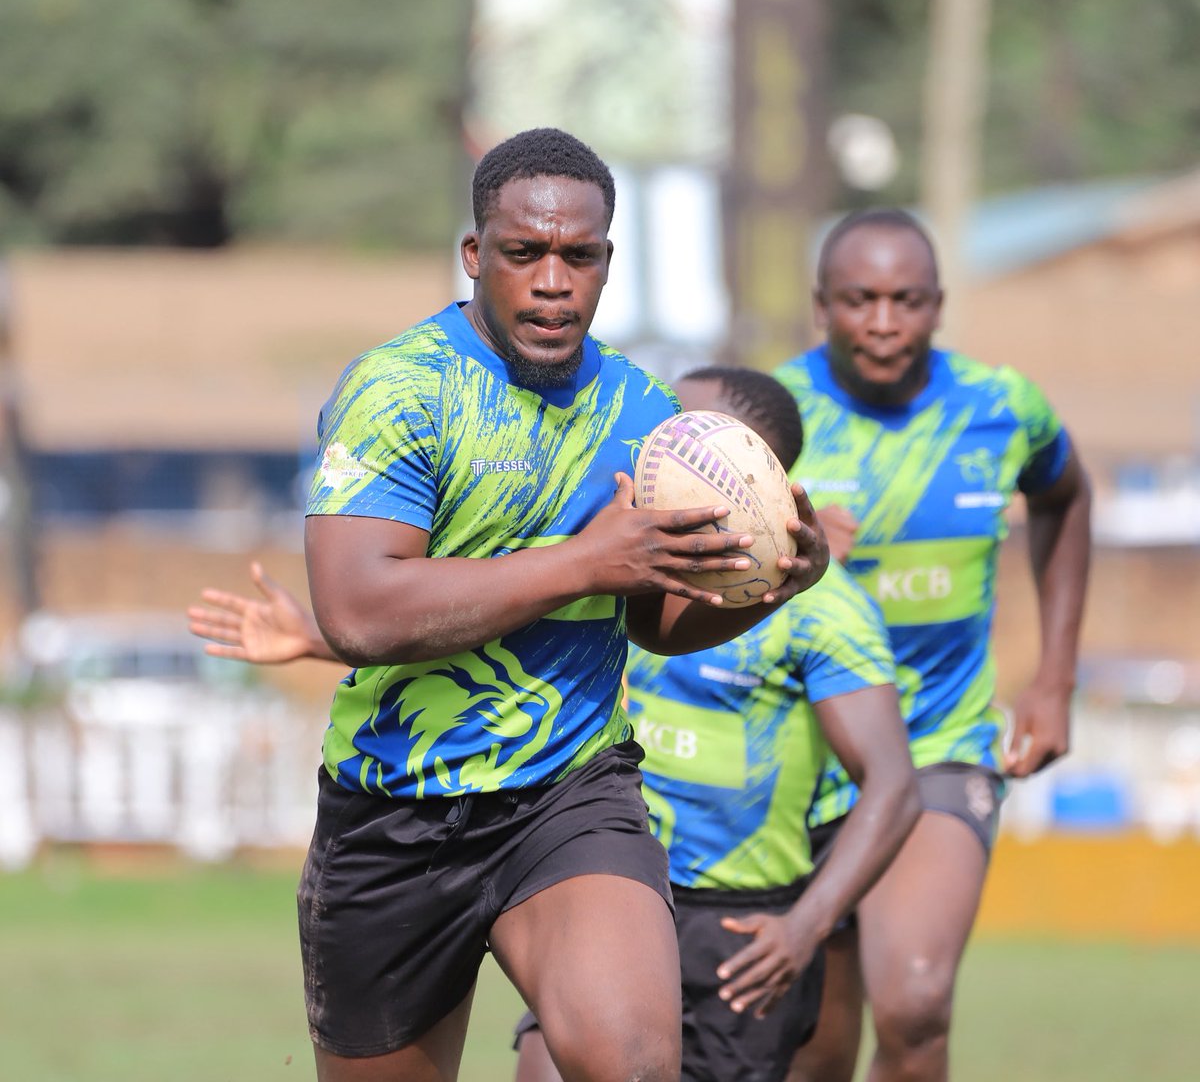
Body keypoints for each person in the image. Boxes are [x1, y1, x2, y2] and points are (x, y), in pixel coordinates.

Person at [282, 127, 829, 1082]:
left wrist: (771, 587)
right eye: (523, 253)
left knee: (634, 1064)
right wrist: (583, 562)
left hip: (568, 794)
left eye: (578, 257)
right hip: (393, 812)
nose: (551, 281)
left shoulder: (644, 416)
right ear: (475, 256)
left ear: (608, 263)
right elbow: (359, 612)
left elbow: (659, 625)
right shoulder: (401, 391)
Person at [190, 365, 916, 1082]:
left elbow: (890, 783)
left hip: (696, 899)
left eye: (686, 442)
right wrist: (326, 637)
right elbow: (508, 643)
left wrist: (807, 924)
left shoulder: (815, 606)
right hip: (502, 850)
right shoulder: (621, 544)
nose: (654, 453)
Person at [774, 208, 1092, 1082]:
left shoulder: (1001, 407)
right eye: (860, 300)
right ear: (821, 306)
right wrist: (791, 563)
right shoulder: (771, 419)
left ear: (939, 304)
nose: (883, 322)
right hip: (801, 758)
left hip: (937, 749)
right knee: (814, 1046)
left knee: (915, 1001)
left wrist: (1055, 676)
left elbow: (1067, 497)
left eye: (906, 300)